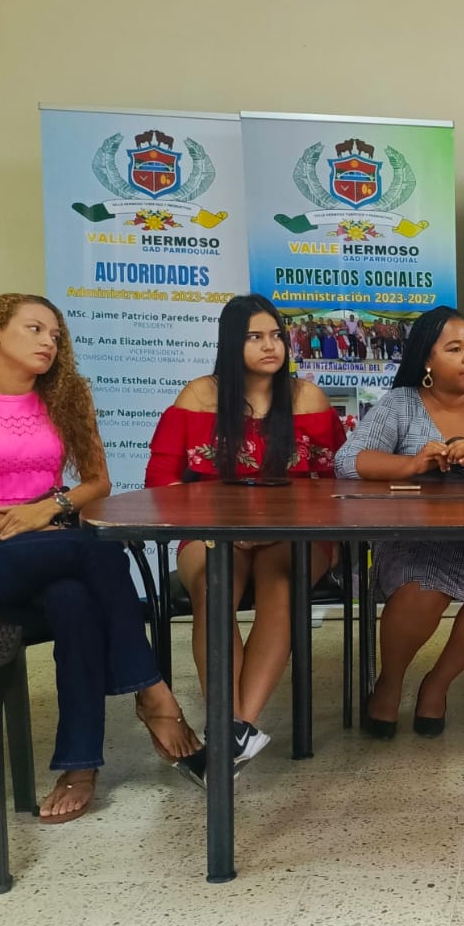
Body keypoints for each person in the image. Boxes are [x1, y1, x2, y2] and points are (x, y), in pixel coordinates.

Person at [0, 294, 201, 822]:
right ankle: (152, 691)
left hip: (55, 546)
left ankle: (79, 766)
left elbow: (97, 482)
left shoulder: (67, 399)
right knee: (97, 545)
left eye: (55, 335)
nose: (48, 342)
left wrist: (49, 509)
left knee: (75, 602)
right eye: (34, 329)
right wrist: (30, 523)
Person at [145, 295, 346, 783]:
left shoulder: (308, 398)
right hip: (213, 532)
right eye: (255, 337)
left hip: (296, 534)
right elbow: (161, 485)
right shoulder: (198, 397)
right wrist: (225, 527)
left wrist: (277, 527)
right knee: (213, 587)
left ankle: (231, 731)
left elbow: (337, 486)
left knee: (281, 585)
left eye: (276, 335)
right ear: (230, 343)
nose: (270, 346)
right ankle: (233, 731)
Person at [334, 306, 464, 738]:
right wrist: (412, 464)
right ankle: (390, 683)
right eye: (455, 349)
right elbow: (348, 461)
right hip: (416, 536)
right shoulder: (402, 402)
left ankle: (438, 683)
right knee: (421, 590)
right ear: (427, 359)